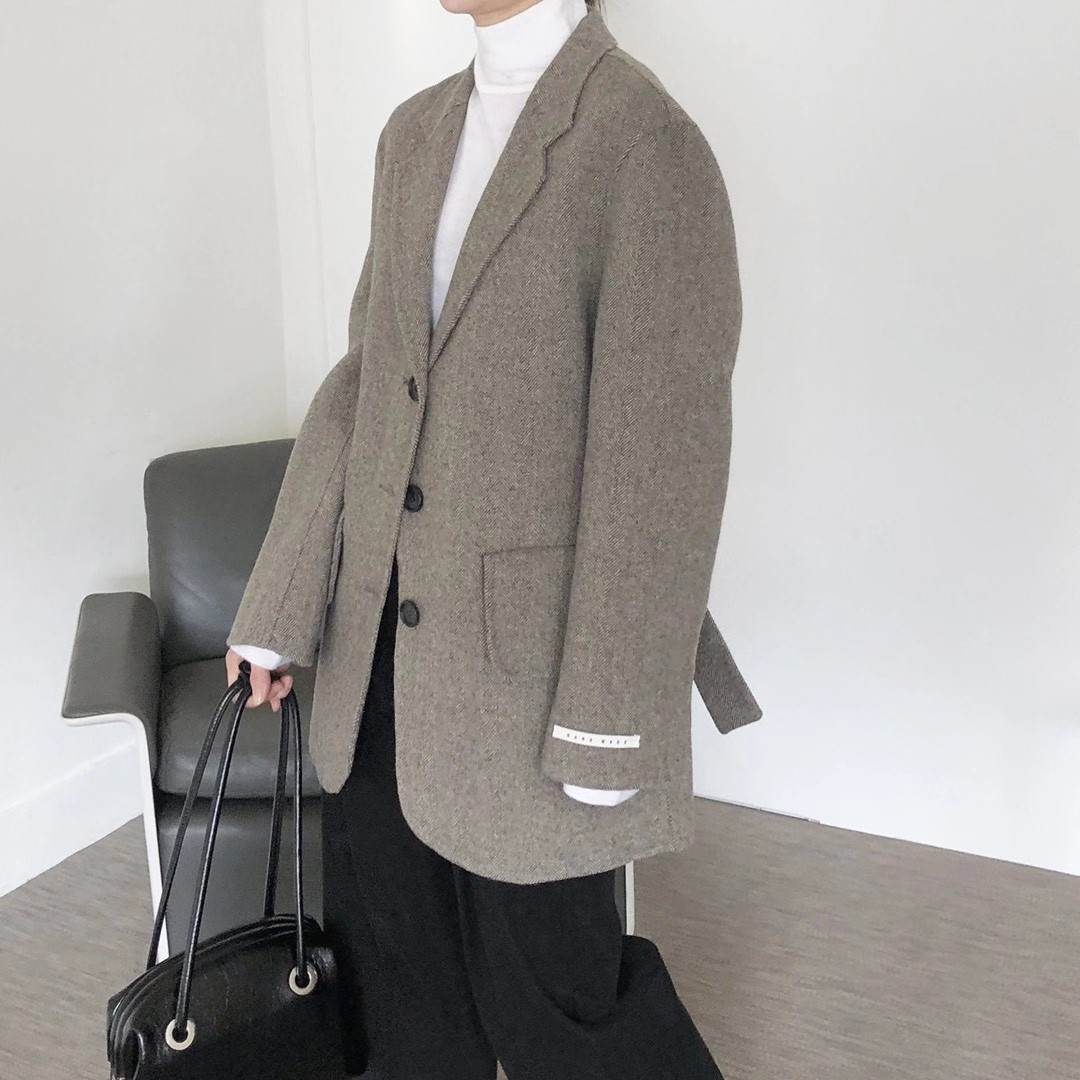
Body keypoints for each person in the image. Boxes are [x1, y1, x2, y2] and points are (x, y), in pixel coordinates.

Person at [225, 0, 761, 1075]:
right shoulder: (413, 134)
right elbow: (365, 385)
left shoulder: (644, 143)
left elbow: (660, 461)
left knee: (561, 1013)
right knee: (404, 1005)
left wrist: (613, 718)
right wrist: (279, 608)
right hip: (378, 664)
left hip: (537, 679)